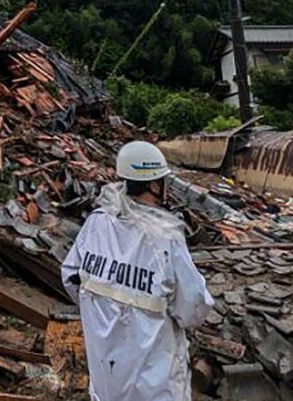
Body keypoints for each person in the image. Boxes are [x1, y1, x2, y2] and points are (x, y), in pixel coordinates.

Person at [62, 141, 213, 401]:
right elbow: (194, 308)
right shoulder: (165, 238)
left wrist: (107, 314)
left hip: (106, 378)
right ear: (154, 185)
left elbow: (71, 278)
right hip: (153, 385)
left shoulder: (97, 223)